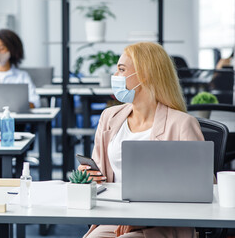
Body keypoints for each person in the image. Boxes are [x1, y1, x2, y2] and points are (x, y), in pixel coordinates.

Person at [80, 42, 204, 238]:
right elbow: (102, 178)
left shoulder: (182, 124)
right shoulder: (109, 117)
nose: (115, 76)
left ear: (146, 75)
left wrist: (139, 218)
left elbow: (202, 187)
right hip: (114, 218)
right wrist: (90, 177)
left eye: (122, 69)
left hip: (162, 223)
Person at [0, 29, 41, 108]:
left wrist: (19, 106)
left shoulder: (22, 76)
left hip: (16, 119)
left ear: (11, 49)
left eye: (2, 48)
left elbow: (35, 102)